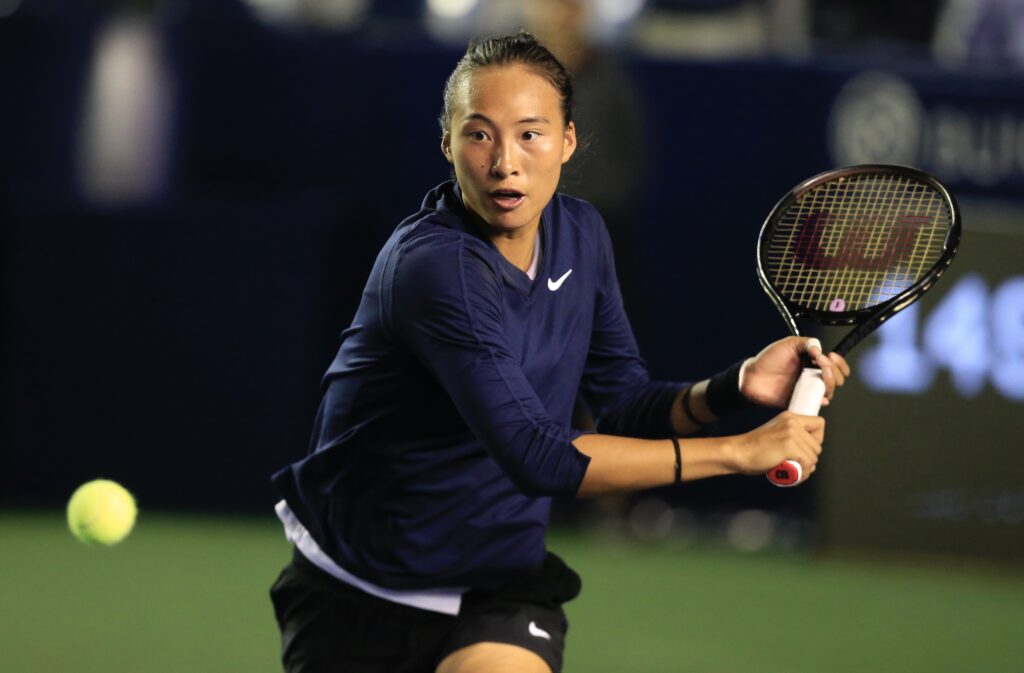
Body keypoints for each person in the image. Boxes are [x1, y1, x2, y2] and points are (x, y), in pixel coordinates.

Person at [268, 31, 849, 673]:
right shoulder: (434, 270)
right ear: (447, 143)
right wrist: (739, 451)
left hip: (499, 583)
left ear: (568, 141)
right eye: (480, 133)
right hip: (355, 588)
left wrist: (736, 386)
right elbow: (537, 456)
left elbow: (623, 405)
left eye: (530, 133)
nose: (504, 162)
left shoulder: (582, 233)